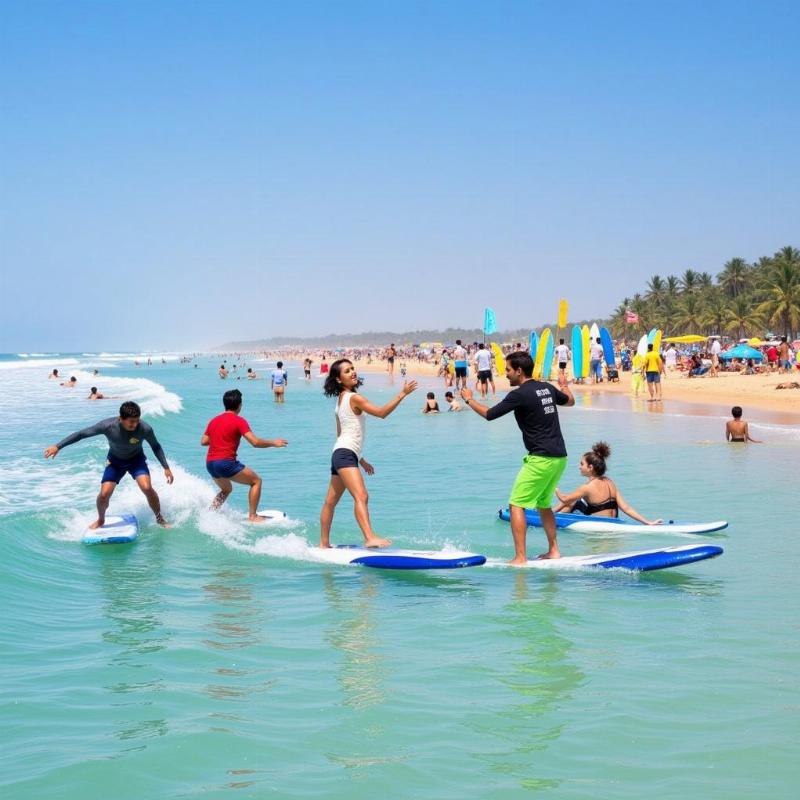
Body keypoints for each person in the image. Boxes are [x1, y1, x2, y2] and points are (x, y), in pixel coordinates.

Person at [461, 351, 575, 563]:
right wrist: (564, 383)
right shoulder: (547, 388)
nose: (506, 374)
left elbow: (489, 415)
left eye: (508, 370)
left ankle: (520, 558)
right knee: (543, 504)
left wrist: (469, 399)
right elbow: (570, 401)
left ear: (519, 371)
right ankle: (554, 551)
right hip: (559, 457)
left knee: (516, 504)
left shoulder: (520, 394)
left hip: (540, 459)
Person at [319, 359, 417, 549]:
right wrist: (402, 394)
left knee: (330, 502)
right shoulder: (354, 398)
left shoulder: (340, 402)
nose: (353, 372)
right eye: (347, 371)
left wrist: (360, 459)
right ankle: (369, 538)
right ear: (339, 379)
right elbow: (381, 413)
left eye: (353, 369)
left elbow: (341, 434)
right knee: (361, 496)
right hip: (345, 454)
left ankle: (324, 544)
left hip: (341, 453)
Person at [43, 401, 174, 529]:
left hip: (136, 460)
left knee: (147, 488)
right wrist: (58, 446)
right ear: (121, 418)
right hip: (115, 462)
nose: (135, 424)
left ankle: (159, 518)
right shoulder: (107, 426)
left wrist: (166, 468)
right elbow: (81, 434)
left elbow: (155, 446)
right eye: (131, 422)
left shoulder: (145, 428)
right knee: (104, 494)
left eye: (137, 420)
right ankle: (101, 519)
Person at [202, 389, 288, 521]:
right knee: (256, 481)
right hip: (225, 463)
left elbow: (204, 441)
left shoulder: (214, 420)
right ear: (239, 405)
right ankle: (253, 516)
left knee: (226, 489)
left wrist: (221, 437)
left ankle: (210, 513)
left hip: (210, 464)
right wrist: (273, 443)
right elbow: (255, 442)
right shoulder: (239, 420)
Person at [554, 442, 663, 523]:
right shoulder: (610, 482)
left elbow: (564, 499)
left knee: (574, 502)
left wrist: (553, 485)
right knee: (576, 500)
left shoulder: (587, 487)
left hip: (598, 526)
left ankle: (548, 517)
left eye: (582, 464)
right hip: (613, 522)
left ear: (590, 467)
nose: (579, 467)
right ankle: (551, 514)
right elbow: (626, 508)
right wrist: (647, 522)